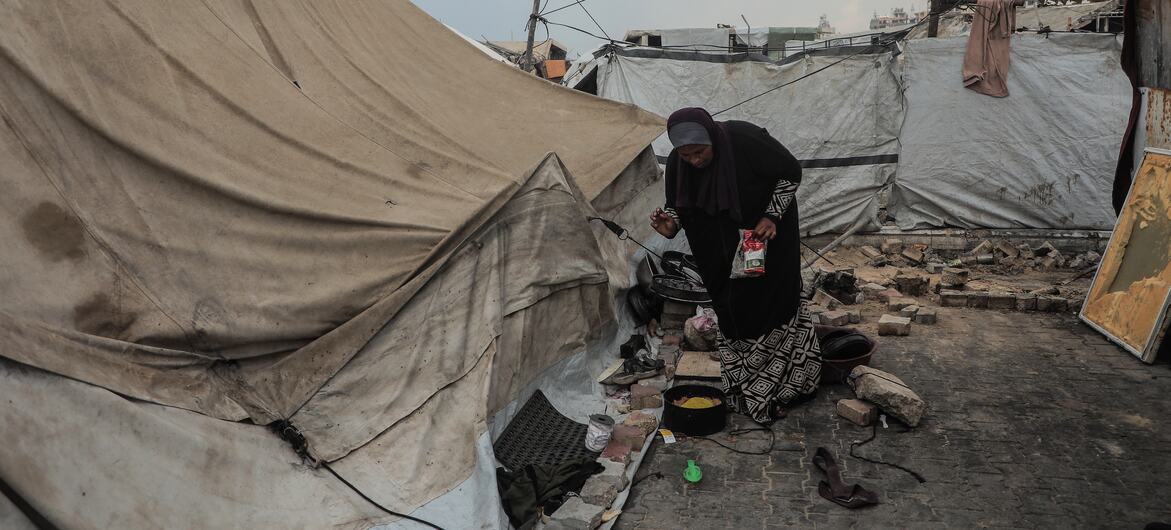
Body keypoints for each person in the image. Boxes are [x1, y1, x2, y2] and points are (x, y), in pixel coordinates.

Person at [649, 107, 821, 423]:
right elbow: (678, 206)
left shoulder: (745, 140)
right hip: (715, 252)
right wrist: (670, 224)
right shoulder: (679, 162)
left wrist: (772, 215)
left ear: (712, 138)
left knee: (766, 305)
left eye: (699, 153)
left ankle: (784, 388)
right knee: (730, 310)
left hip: (758, 239)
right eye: (686, 155)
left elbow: (790, 173)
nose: (694, 161)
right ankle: (743, 390)